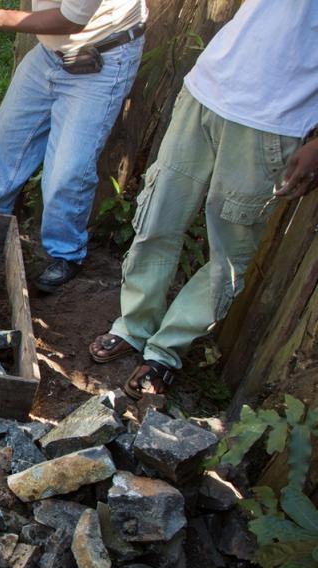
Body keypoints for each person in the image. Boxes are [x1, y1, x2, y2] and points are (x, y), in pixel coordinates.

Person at [88, 0, 318, 399]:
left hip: (274, 122)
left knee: (229, 252)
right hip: (207, 88)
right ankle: (133, 325)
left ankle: (166, 350)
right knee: (157, 217)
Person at [0, 0, 147, 293]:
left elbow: (71, 21)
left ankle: (65, 253)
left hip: (101, 57)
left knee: (67, 172)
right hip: (49, 55)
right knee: (6, 139)